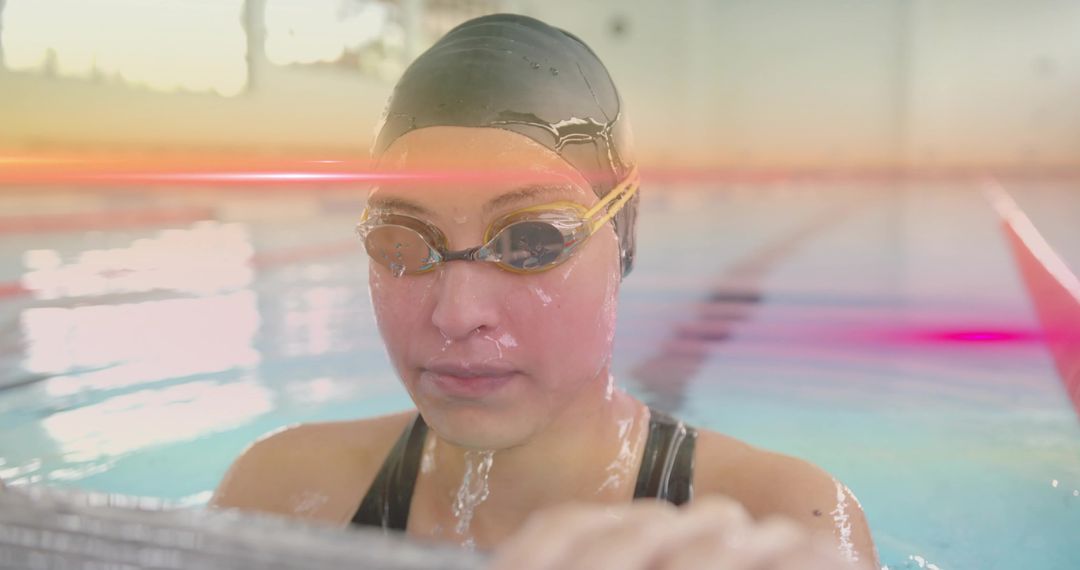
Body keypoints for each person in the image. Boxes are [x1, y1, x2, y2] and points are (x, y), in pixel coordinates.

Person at [211, 13, 877, 569]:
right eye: (401, 243)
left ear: (623, 239)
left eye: (531, 242)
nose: (457, 314)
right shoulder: (282, 496)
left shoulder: (784, 525)